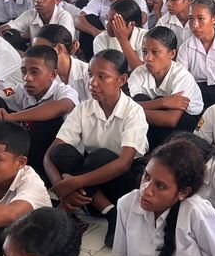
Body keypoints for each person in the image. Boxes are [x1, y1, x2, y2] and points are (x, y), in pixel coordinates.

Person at [45, 50, 149, 233]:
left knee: (100, 156)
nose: (92, 82)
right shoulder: (84, 108)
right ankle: (110, 213)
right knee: (61, 152)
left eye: (102, 76)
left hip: (124, 181)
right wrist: (62, 187)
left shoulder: (133, 112)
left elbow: (124, 164)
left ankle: (67, 211)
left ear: (122, 80)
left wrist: (75, 182)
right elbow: (50, 155)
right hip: (92, 184)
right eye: (90, 74)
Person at [0, 45, 77, 180]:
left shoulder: (65, 91)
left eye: (34, 72)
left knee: (43, 121)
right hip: (28, 145)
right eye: (23, 72)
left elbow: (61, 107)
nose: (27, 78)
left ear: (53, 74)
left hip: (54, 152)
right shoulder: (18, 90)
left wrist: (10, 118)